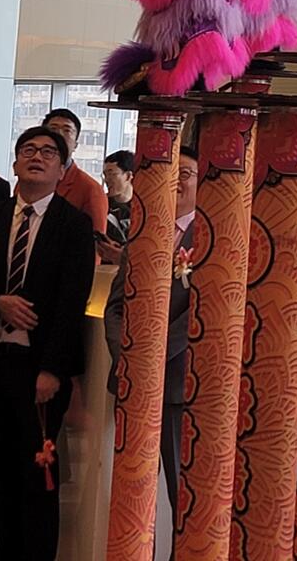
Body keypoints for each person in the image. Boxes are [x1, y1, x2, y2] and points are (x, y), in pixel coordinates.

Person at [0, 126, 95, 561]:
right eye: (28, 149)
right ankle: (6, 551)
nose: (37, 157)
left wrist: (53, 369)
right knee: (2, 467)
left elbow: (72, 301)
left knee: (39, 465)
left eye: (49, 153)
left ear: (62, 170)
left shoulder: (74, 224)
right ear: (14, 163)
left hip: (41, 364)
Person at [103, 138, 197, 539]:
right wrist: (127, 357)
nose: (177, 181)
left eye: (186, 174)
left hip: (179, 382)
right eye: (171, 173)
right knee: (131, 487)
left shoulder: (214, 238)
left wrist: (154, 357)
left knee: (182, 490)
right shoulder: (144, 231)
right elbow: (115, 306)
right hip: (132, 379)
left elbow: (204, 312)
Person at [41, 109, 108, 236]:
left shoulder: (90, 189)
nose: (59, 134)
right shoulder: (29, 179)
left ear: (76, 144)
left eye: (67, 130)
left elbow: (96, 242)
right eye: (53, 129)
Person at [99, 151, 135, 260]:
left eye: (112, 174)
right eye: (105, 175)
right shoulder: (101, 203)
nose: (107, 179)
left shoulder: (141, 208)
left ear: (128, 176)